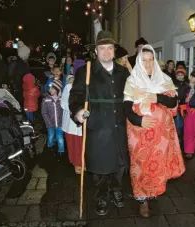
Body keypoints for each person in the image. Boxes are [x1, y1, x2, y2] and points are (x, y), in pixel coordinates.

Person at [69, 31, 130, 216]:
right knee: (100, 165)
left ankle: (117, 190)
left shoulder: (123, 72)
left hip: (119, 125)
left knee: (119, 163)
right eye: (102, 48)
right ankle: (102, 196)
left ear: (114, 51)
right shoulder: (85, 71)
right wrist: (78, 112)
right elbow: (76, 96)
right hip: (98, 126)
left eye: (109, 48)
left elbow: (132, 96)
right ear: (96, 51)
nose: (106, 51)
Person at [124, 44, 185, 217]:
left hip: (161, 134)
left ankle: (153, 191)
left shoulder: (164, 79)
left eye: (151, 60)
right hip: (139, 132)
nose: (148, 63)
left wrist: (156, 97)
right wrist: (139, 120)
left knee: (156, 162)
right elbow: (126, 108)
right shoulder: (132, 80)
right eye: (144, 60)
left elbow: (173, 103)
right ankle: (142, 198)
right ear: (138, 61)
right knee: (140, 163)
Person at [61, 75, 83, 174]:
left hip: (82, 120)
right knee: (73, 143)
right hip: (71, 121)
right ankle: (76, 163)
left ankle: (83, 162)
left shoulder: (85, 86)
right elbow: (64, 103)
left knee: (81, 143)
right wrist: (75, 110)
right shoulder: (68, 87)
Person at [42, 79, 65, 158]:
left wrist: (63, 121)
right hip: (50, 123)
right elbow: (44, 112)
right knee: (51, 136)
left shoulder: (61, 100)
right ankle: (50, 147)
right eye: (50, 88)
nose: (50, 90)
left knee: (60, 137)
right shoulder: (46, 99)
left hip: (60, 123)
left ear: (57, 89)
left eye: (52, 88)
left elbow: (64, 112)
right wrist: (48, 123)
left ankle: (61, 151)